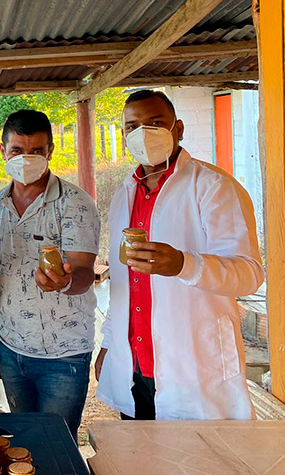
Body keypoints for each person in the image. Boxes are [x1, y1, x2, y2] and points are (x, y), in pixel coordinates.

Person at [95, 90, 263, 421]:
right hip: (135, 367)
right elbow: (123, 285)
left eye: (155, 123)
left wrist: (185, 264)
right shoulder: (124, 195)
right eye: (132, 127)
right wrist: (109, 346)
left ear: (179, 129)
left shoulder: (213, 187)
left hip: (194, 367)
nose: (143, 134)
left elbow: (249, 274)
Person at [0, 110, 100, 436]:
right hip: (10, 345)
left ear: (49, 152)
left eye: (36, 151)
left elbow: (84, 272)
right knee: (22, 443)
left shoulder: (75, 204)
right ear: (3, 151)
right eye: (18, 151)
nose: (26, 159)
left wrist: (66, 282)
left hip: (63, 354)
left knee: (56, 442)